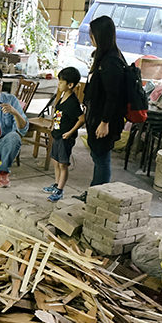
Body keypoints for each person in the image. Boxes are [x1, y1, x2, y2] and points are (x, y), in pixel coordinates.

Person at [82, 15, 126, 194]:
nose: (90, 38)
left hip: (105, 119)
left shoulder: (112, 61)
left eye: (91, 34)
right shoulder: (104, 57)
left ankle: (97, 195)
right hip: (97, 116)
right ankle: (94, 192)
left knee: (102, 158)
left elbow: (113, 96)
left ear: (100, 36)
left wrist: (104, 122)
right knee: (97, 156)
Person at [43, 67, 84, 202]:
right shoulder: (62, 96)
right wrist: (52, 123)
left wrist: (70, 132)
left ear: (70, 85)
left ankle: (60, 190)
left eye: (61, 82)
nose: (58, 84)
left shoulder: (73, 102)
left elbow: (82, 119)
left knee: (63, 164)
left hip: (65, 137)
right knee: (55, 161)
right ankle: (56, 184)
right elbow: (58, 114)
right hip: (57, 134)